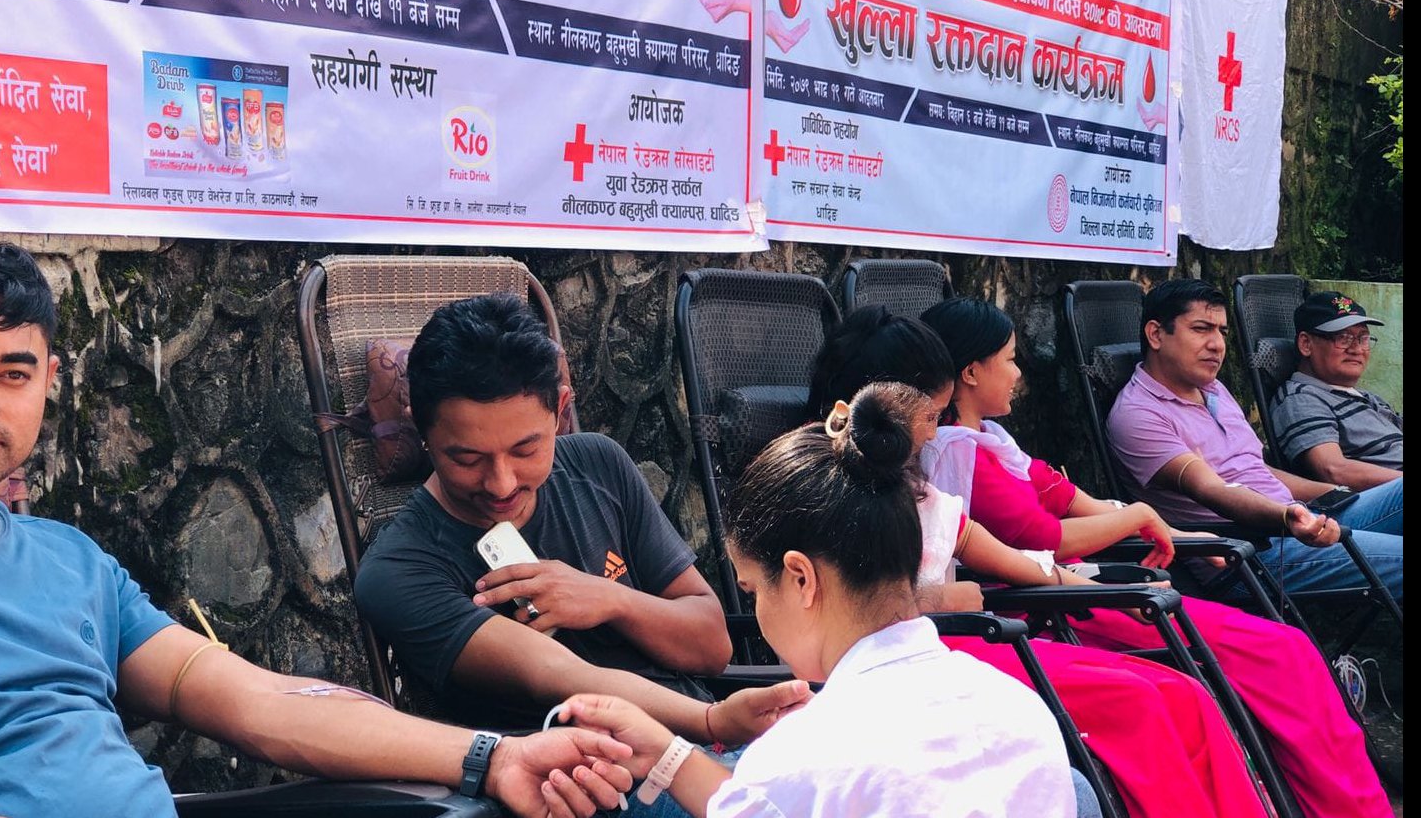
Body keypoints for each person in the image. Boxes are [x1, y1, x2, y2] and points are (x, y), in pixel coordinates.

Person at [0, 232, 633, 818]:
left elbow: (262, 704)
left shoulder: (72, 563)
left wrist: (494, 756)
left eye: (11, 373)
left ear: (48, 381)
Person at [920, 296, 1389, 818]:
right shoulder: (957, 453)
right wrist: (1141, 519)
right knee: (1268, 658)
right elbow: (1043, 537)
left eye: (1221, 331)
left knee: (1286, 649)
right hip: (1045, 599)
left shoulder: (996, 442)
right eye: (1009, 360)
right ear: (970, 372)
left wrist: (1176, 534)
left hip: (1081, 583)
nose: (1018, 373)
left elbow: (1073, 500)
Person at [352, 293, 808, 817]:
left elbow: (711, 646)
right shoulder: (400, 570)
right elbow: (557, 674)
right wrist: (710, 721)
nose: (501, 483)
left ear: (560, 409)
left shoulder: (598, 464)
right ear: (422, 429)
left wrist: (609, 599)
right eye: (467, 458)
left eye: (526, 450)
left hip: (715, 748)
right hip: (604, 780)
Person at [809, 307, 1265, 818]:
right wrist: (942, 598)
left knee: (1180, 692)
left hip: (960, 636)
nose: (937, 435)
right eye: (933, 417)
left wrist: (1110, 596)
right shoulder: (825, 489)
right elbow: (841, 605)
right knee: (1140, 699)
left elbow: (1016, 560)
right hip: (928, 650)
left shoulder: (917, 487)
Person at [552, 383, 1076, 817]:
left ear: (801, 578)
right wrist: (671, 754)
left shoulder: (799, 760)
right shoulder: (1020, 709)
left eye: (754, 590)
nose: (757, 610)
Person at [1105, 279, 1402, 602]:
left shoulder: (1213, 389)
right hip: (1249, 555)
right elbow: (1213, 489)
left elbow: (1257, 469)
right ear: (1156, 334)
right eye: (1202, 329)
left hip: (1300, 521)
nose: (1217, 345)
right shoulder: (1138, 414)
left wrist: (1334, 494)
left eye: (1222, 332)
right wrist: (1287, 517)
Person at [1270, 290, 1402, 488]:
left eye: (1363, 339)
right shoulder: (1301, 398)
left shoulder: (1365, 397)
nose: (1357, 349)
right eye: (1343, 338)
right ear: (1306, 344)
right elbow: (1333, 469)